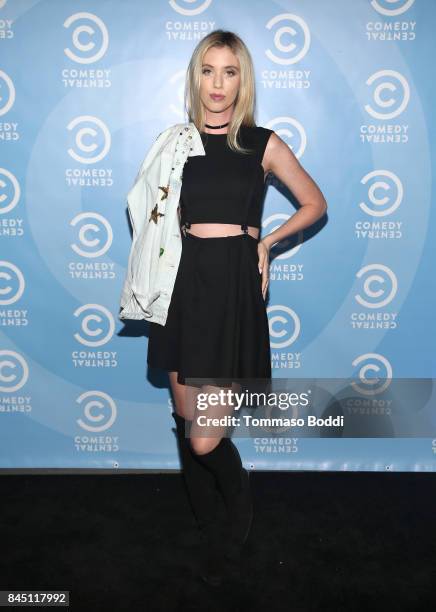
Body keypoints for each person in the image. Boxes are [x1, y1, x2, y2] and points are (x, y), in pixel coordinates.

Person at [146, 29, 327, 586]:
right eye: (208, 70)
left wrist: (267, 243)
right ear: (196, 77)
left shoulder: (263, 142)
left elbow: (315, 203)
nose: (218, 84)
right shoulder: (177, 142)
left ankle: (239, 493)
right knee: (185, 424)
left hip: (231, 290)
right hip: (182, 285)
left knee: (206, 437)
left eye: (229, 72)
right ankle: (209, 527)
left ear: (241, 79)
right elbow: (150, 216)